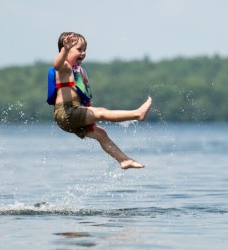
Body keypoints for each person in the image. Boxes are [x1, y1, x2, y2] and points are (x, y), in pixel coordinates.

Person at [47, 31, 152, 169]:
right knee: (101, 112)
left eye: (85, 50)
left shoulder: (75, 70)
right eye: (79, 49)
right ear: (64, 50)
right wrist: (65, 49)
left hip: (69, 117)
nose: (83, 53)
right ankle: (137, 114)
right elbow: (57, 64)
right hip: (67, 111)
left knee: (101, 134)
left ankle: (124, 160)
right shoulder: (64, 67)